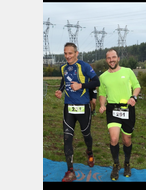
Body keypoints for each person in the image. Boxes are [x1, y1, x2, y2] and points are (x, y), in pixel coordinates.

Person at [55, 42, 100, 182]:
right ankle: (70, 171)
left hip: (83, 107)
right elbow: (64, 80)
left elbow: (96, 81)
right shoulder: (63, 67)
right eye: (65, 53)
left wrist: (81, 85)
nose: (67, 56)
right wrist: (60, 90)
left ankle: (89, 151)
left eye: (70, 53)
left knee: (86, 134)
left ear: (76, 53)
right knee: (67, 137)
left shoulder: (84, 66)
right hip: (68, 107)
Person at [99, 49, 141, 181]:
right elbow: (102, 93)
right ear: (106, 60)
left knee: (126, 140)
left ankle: (127, 163)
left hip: (127, 109)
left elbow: (137, 86)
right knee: (113, 139)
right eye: (108, 58)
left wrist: (134, 97)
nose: (111, 60)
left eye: (113, 57)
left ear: (118, 58)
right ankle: (116, 164)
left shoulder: (128, 71)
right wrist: (102, 105)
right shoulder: (103, 76)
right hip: (112, 110)